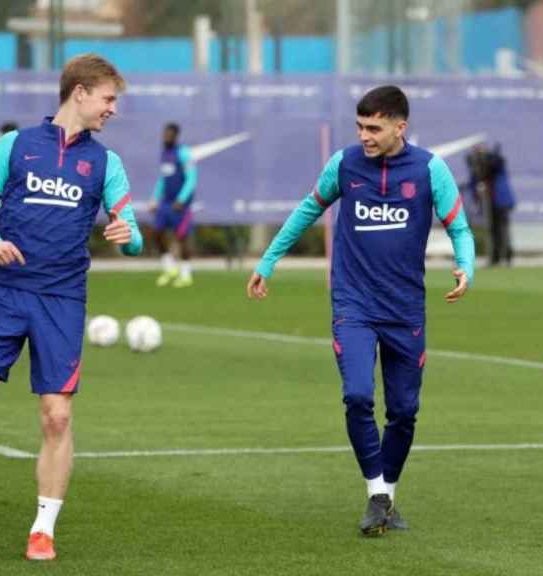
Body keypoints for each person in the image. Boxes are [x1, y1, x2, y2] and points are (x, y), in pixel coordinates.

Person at [246, 85, 475, 536]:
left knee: (405, 411)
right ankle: (376, 493)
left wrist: (466, 266)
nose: (364, 136)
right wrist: (268, 261)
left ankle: (386, 497)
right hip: (353, 304)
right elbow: (307, 210)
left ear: (399, 127)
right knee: (356, 395)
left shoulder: (431, 169)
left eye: (374, 127)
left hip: (405, 308)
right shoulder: (344, 165)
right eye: (360, 127)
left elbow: (459, 227)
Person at [0, 53, 142, 561]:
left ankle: (43, 528)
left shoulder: (106, 163)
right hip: (1, 292)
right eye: (108, 98)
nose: (112, 109)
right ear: (80, 92)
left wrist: (128, 234)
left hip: (61, 299)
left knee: (56, 416)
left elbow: (133, 231)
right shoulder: (15, 145)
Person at [148, 122, 197, 287]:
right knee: (156, 234)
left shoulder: (183, 153)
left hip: (180, 205)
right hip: (165, 203)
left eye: (169, 134)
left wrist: (181, 200)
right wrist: (155, 198)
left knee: (183, 238)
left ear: (176, 136)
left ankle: (185, 274)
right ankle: (170, 269)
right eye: (164, 134)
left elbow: (191, 178)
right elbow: (163, 178)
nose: (165, 137)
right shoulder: (164, 153)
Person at [466, 143, 515, 266]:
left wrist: (487, 158)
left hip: (500, 201)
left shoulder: (495, 163)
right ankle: (495, 258)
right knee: (491, 229)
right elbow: (474, 182)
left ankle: (506, 256)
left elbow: (498, 162)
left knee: (502, 229)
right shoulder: (477, 167)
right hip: (488, 201)